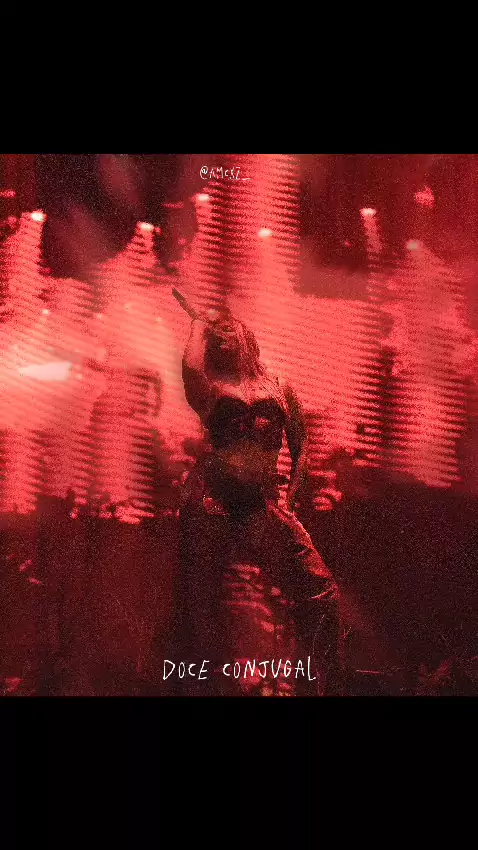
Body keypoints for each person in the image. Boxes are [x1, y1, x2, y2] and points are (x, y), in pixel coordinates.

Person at [171, 310, 341, 696]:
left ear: (246, 335)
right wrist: (197, 325)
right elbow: (190, 369)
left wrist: (291, 498)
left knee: (322, 592)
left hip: (263, 503)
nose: (219, 335)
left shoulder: (279, 386)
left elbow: (301, 445)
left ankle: (320, 686)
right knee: (206, 602)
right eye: (213, 333)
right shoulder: (211, 387)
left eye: (226, 327)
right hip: (213, 502)